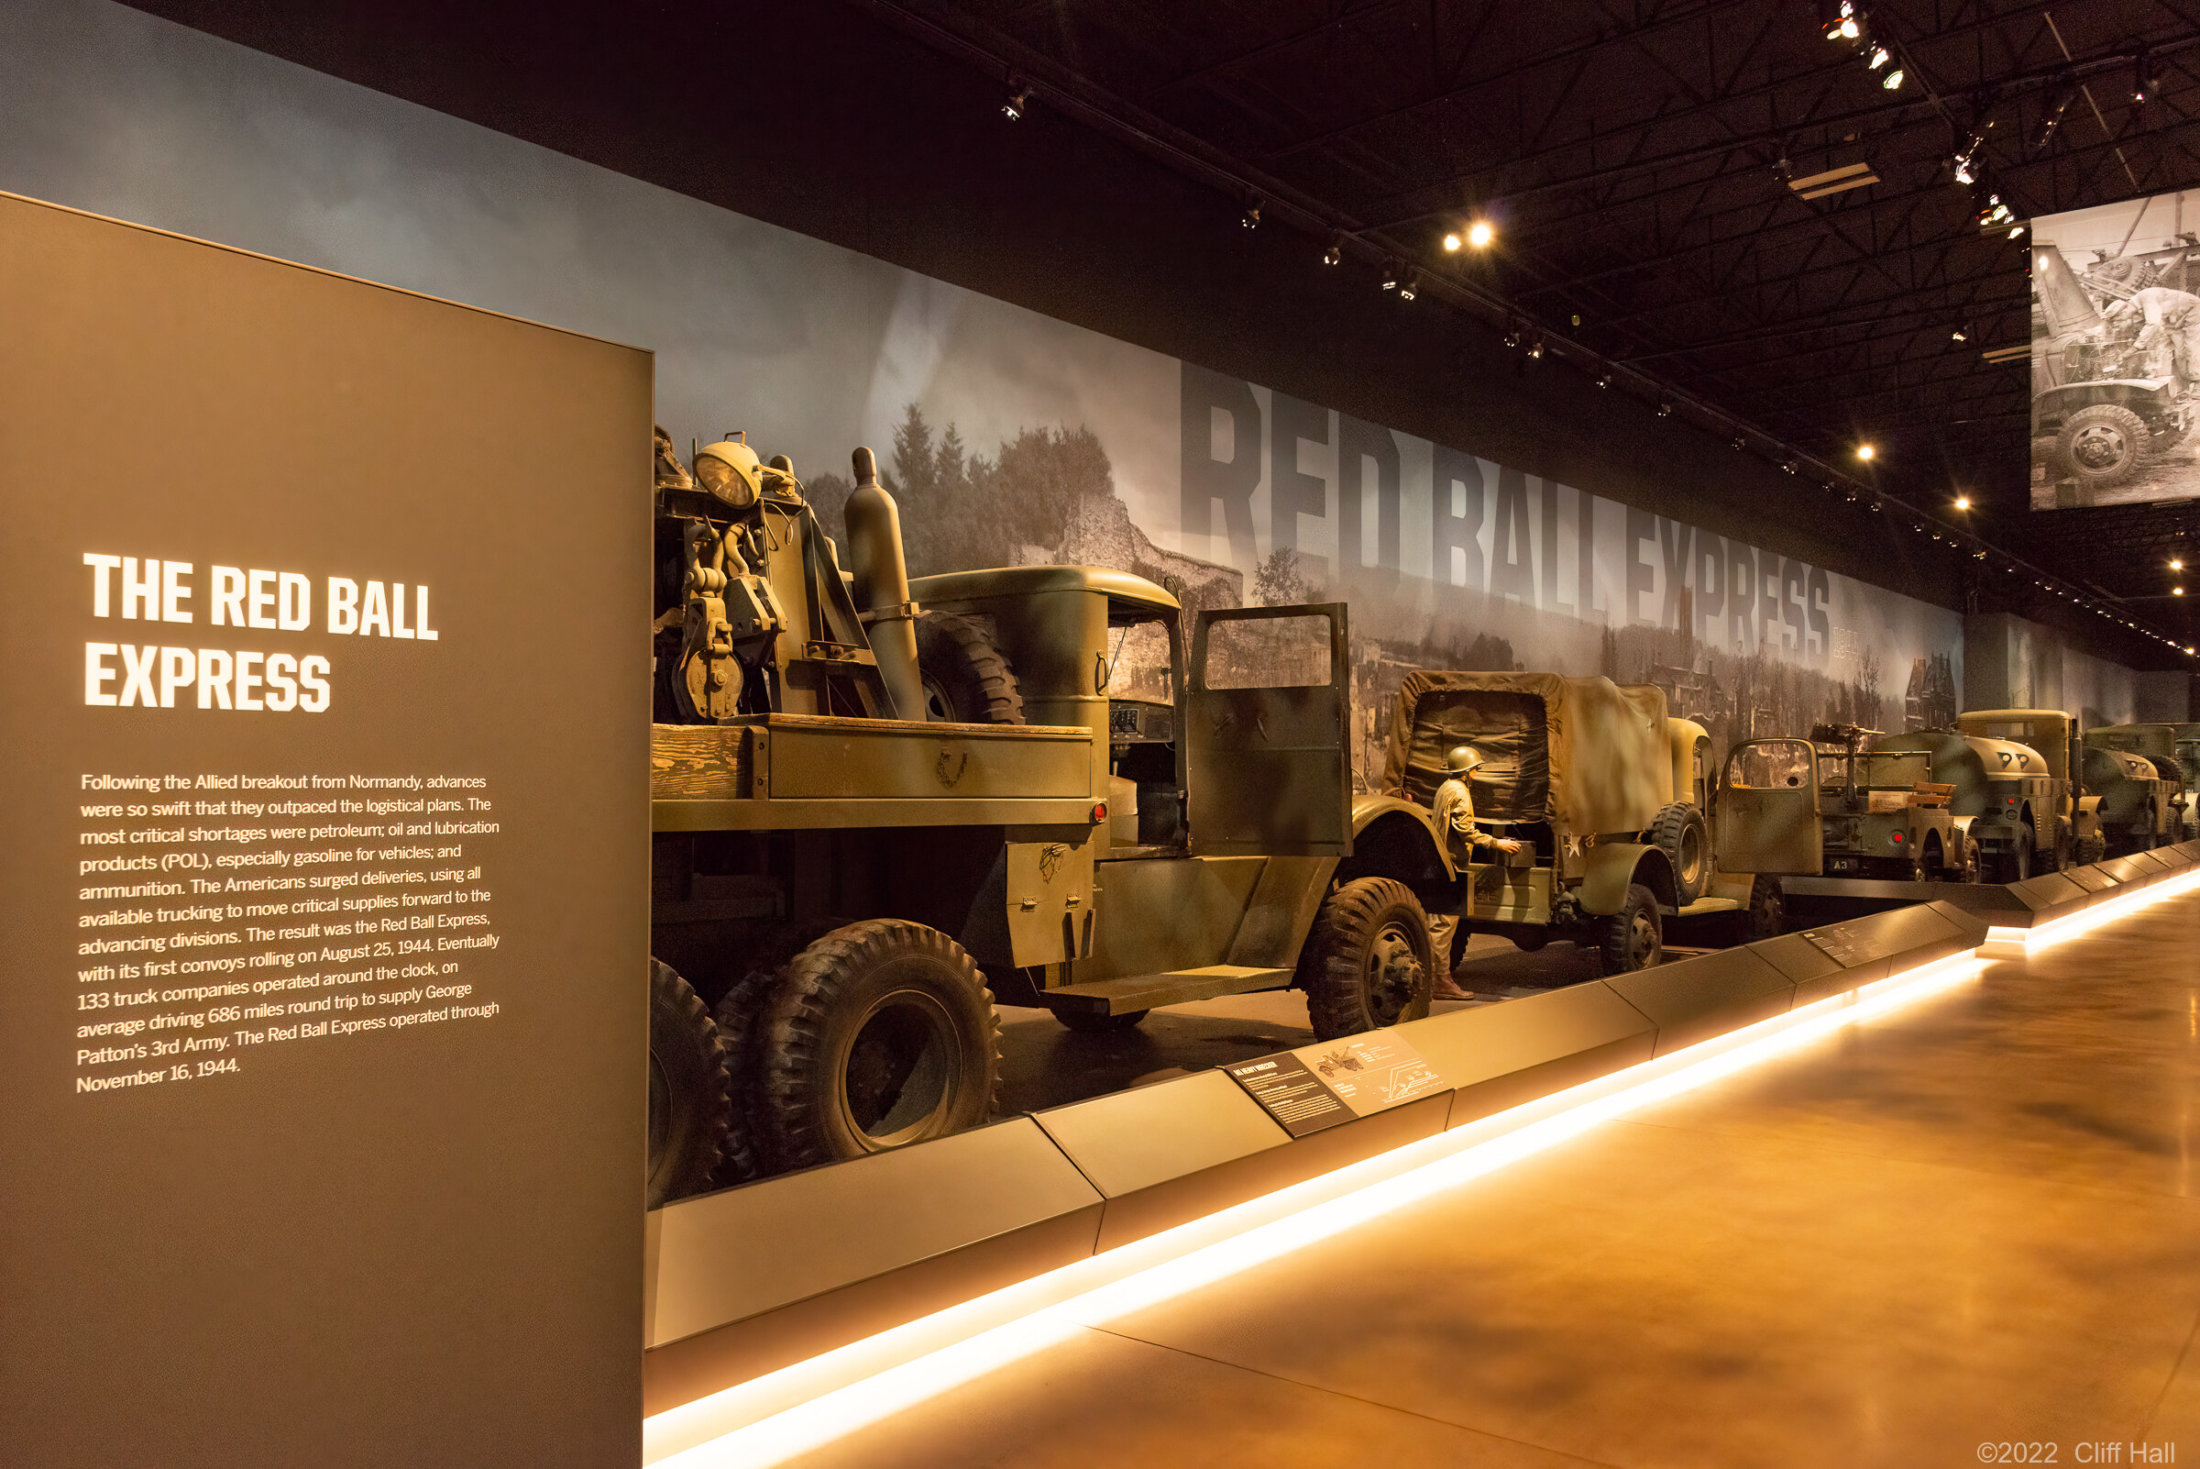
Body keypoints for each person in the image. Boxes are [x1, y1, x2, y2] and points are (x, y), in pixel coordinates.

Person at [1428, 745, 1522, 1001]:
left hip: (1441, 861)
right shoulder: (1460, 792)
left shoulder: (1446, 787)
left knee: (1436, 923)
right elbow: (1466, 831)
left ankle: (1433, 977)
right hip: (1451, 865)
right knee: (1444, 925)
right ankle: (1440, 981)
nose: (1477, 773)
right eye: (1475, 769)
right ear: (1466, 771)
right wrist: (1496, 843)